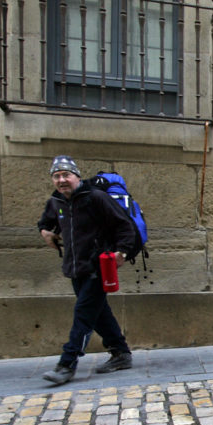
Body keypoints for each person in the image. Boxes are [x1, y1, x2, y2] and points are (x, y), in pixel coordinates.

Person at [37, 155, 135, 384]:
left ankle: (67, 364)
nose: (62, 180)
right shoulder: (56, 202)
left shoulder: (96, 198)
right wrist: (45, 232)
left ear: (76, 176)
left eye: (66, 175)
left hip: (97, 266)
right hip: (74, 267)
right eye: (56, 176)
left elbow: (125, 225)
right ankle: (121, 353)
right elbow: (44, 222)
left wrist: (122, 251)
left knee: (83, 315)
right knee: (98, 313)